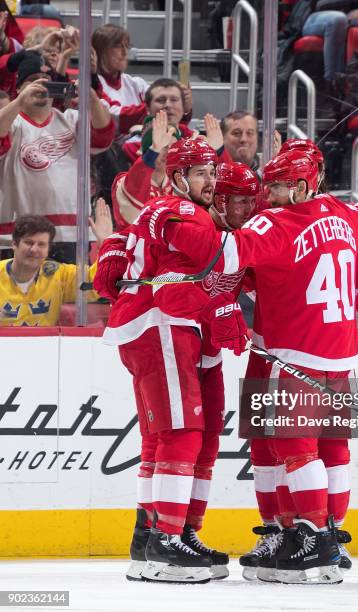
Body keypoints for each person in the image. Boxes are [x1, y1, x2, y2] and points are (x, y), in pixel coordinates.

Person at [146, 149, 358, 584]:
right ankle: (310, 536)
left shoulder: (274, 222)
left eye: (276, 188)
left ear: (300, 187)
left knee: (293, 448)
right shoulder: (342, 217)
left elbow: (223, 253)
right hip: (338, 355)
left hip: (291, 353)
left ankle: (312, 536)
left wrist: (163, 218)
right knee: (320, 447)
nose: (266, 196)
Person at [93, 140, 259, 584]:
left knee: (183, 436)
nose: (211, 182)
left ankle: (164, 533)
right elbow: (216, 254)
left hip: (177, 326)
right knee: (181, 431)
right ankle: (165, 540)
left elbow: (111, 275)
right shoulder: (176, 211)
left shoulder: (180, 212)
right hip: (161, 323)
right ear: (179, 177)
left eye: (213, 172)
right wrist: (270, 232)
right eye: (202, 173)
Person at [0, 52, 115, 262]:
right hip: (20, 236)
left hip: (71, 234)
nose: (40, 85)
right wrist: (18, 103)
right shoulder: (12, 124)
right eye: (32, 81)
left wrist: (93, 100)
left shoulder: (71, 119)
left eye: (46, 82)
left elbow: (103, 137)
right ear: (18, 89)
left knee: (70, 294)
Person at [0, 200, 112, 326]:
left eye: (41, 244)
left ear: (48, 250)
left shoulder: (58, 275)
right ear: (14, 244)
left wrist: (106, 242)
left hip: (46, 345)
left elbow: (96, 284)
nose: (34, 249)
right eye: (29, 242)